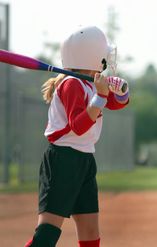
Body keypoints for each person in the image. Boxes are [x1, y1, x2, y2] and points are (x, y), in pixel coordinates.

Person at [24, 26, 129, 247]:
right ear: (92, 56)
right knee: (47, 234)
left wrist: (121, 92)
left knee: (90, 231)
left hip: (84, 160)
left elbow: (116, 103)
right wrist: (100, 95)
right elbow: (78, 126)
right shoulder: (71, 84)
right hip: (63, 160)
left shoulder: (90, 82)